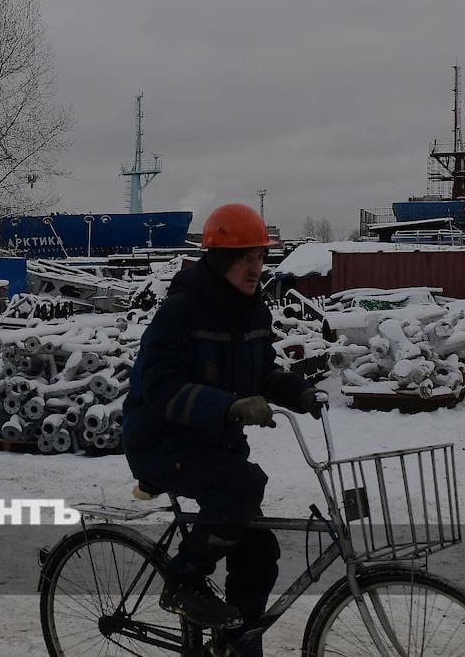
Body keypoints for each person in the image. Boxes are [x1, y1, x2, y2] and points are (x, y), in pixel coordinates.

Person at [122, 203, 325, 655]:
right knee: (242, 485)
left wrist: (299, 393)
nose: (256, 268)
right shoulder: (181, 312)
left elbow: (263, 371)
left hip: (214, 446)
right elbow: (160, 388)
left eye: (261, 257)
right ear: (219, 260)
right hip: (161, 443)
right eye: (245, 258)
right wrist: (230, 406)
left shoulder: (253, 312)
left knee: (258, 550)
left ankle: (236, 647)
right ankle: (183, 582)